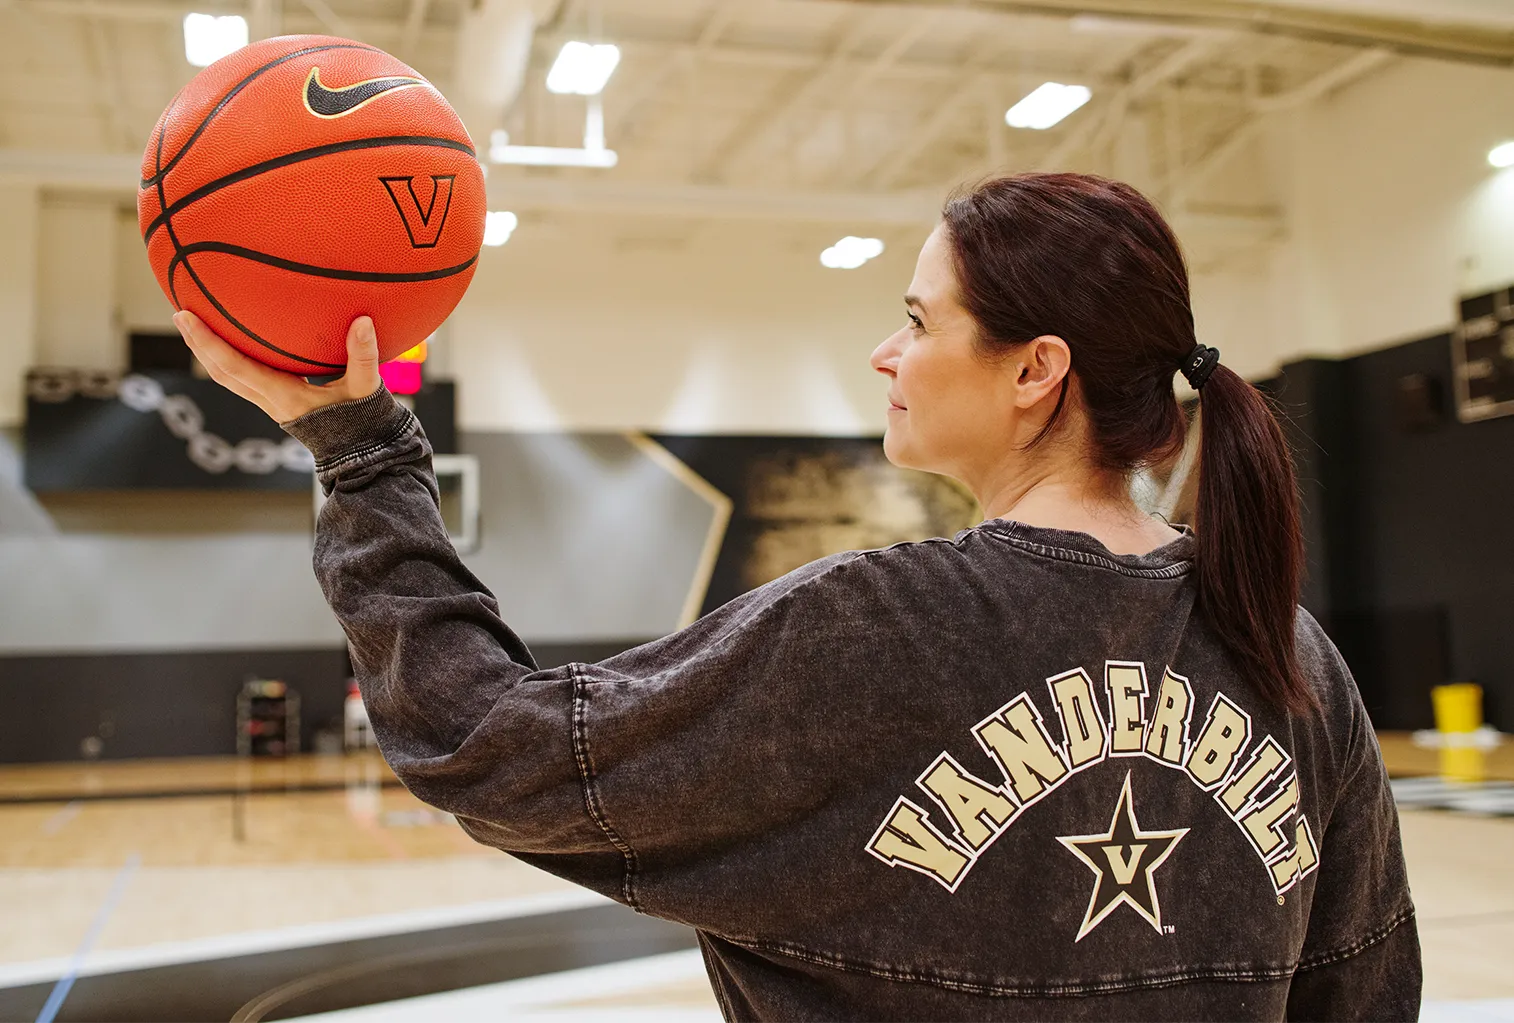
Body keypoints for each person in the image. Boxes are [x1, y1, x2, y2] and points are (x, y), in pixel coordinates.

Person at [176, 172, 1420, 1021]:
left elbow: (486, 743)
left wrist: (360, 449)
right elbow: (1363, 997)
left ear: (1036, 371)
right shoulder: (1292, 656)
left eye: (917, 319)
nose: (887, 352)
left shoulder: (874, 633)